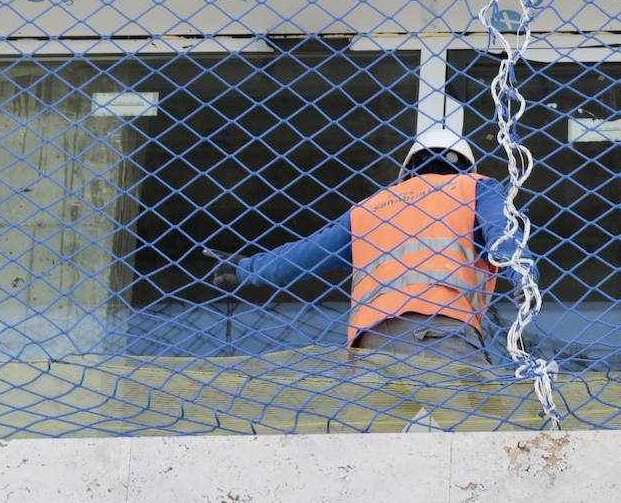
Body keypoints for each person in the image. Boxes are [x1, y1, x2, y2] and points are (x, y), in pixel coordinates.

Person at [206, 127, 534, 365]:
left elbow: (304, 255)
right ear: (465, 166)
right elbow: (503, 235)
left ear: (408, 169)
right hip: (439, 332)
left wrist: (242, 269)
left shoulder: (370, 208)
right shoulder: (475, 187)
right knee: (465, 437)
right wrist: (524, 276)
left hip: (370, 346)